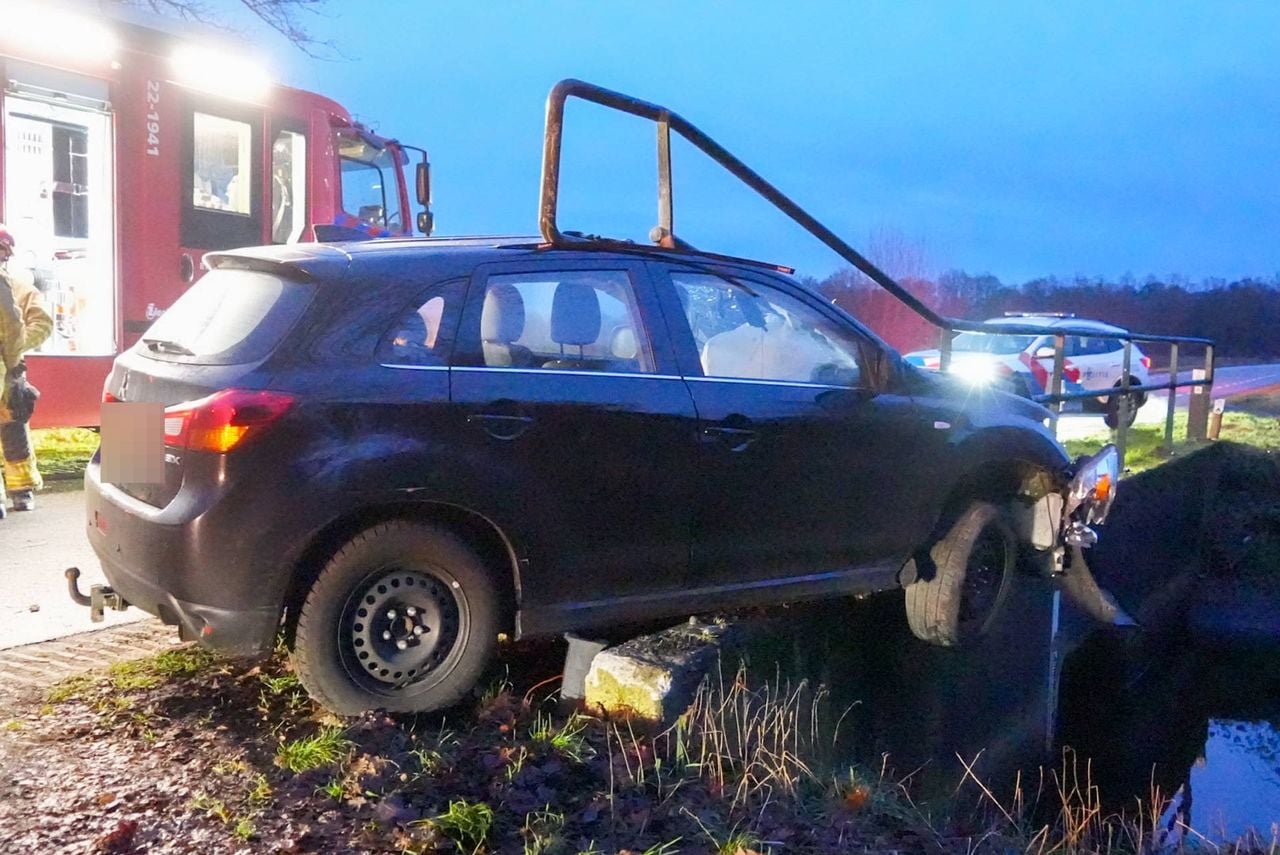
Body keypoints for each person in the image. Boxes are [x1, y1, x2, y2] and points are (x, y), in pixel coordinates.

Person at [0, 224, 52, 516]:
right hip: (7, 364)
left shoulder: (20, 288)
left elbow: (42, 323)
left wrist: (17, 347)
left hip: (11, 368)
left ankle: (22, 490)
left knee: (14, 430)